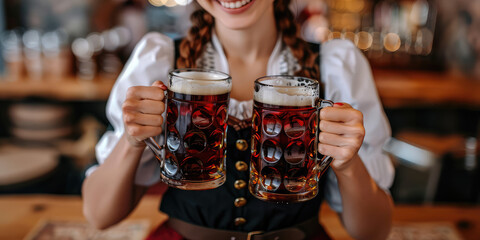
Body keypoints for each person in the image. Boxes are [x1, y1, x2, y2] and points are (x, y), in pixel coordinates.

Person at [82, 0, 395, 239]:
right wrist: (131, 139)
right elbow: (99, 216)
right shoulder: (159, 60)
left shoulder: (336, 65)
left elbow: (373, 232)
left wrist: (348, 164)